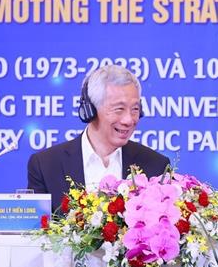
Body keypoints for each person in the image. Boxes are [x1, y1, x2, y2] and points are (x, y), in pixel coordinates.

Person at [27, 65, 170, 210]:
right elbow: (34, 230)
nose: (128, 120)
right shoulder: (46, 165)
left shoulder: (156, 166)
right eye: (119, 109)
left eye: (135, 109)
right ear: (90, 111)